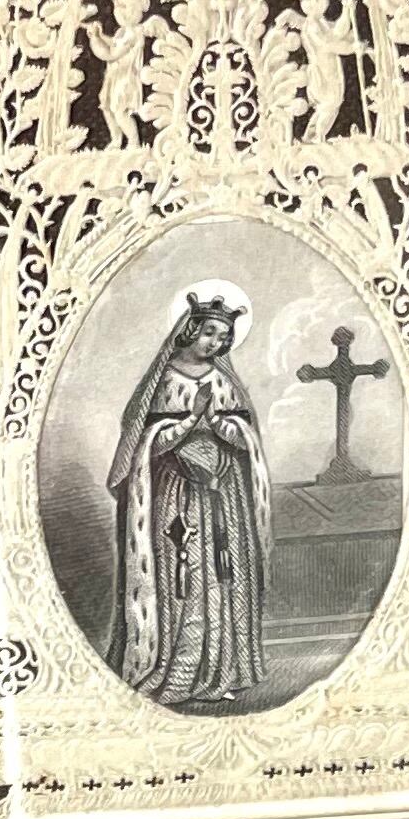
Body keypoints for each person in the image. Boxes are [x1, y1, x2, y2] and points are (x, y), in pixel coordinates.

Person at [105, 290, 272, 708]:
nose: (215, 342)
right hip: (175, 495)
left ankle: (222, 671)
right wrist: (189, 423)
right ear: (190, 330)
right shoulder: (164, 380)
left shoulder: (224, 381)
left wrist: (216, 421)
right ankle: (178, 672)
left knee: (223, 574)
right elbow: (146, 443)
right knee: (183, 579)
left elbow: (244, 438)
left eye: (223, 337)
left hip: (223, 495)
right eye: (209, 332)